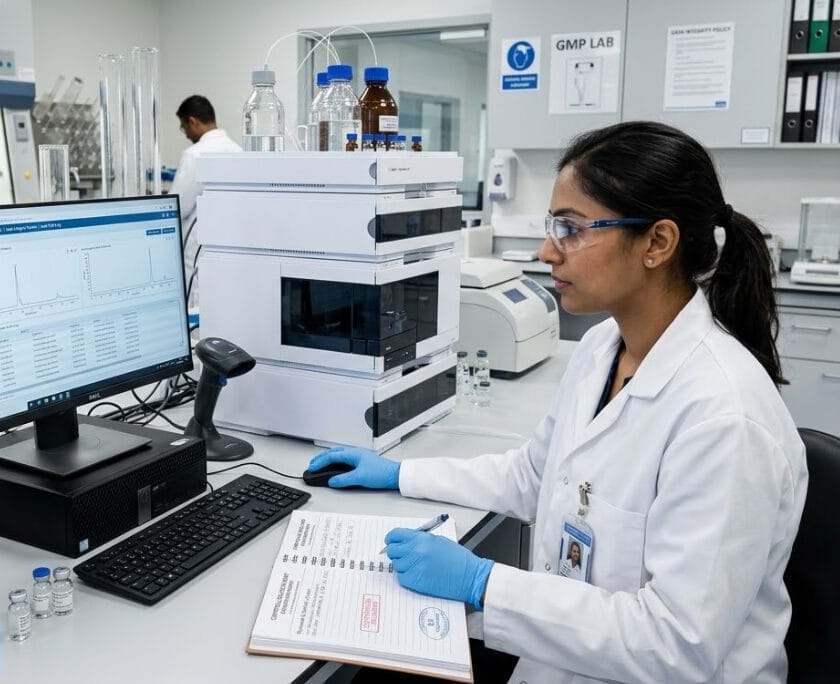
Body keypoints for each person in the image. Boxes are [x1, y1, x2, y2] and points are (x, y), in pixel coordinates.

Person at [308, 121, 808, 683]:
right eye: (553, 227)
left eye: (571, 229)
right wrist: (402, 473)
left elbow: (678, 646)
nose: (547, 251)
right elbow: (535, 475)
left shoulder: (724, 417)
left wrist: (484, 584)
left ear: (657, 244)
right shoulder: (603, 347)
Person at [170, 95, 241, 309]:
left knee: (198, 315)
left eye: (184, 128)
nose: (187, 134)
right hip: (230, 248)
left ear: (193, 121)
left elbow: (178, 207)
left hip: (198, 251)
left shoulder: (194, 154)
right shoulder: (238, 151)